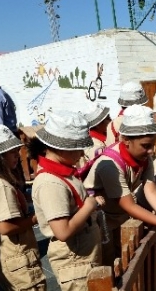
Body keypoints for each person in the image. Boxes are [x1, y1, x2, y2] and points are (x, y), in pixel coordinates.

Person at [83, 105, 156, 266]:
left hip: (118, 218)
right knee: (108, 266)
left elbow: (150, 189)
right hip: (98, 224)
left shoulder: (144, 158)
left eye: (152, 145)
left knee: (125, 262)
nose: (152, 151)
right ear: (125, 140)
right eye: (146, 145)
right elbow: (129, 205)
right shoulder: (110, 165)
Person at [28, 111, 102, 291]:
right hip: (76, 260)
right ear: (61, 147)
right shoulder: (50, 183)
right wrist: (90, 205)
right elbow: (62, 231)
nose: (81, 152)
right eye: (77, 148)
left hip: (83, 254)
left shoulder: (63, 171)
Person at [0, 125, 46, 290]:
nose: (17, 156)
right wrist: (35, 217)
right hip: (14, 248)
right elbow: (5, 227)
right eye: (11, 152)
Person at [79, 102, 111, 167]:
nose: (111, 120)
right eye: (108, 119)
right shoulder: (96, 146)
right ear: (98, 125)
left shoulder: (101, 138)